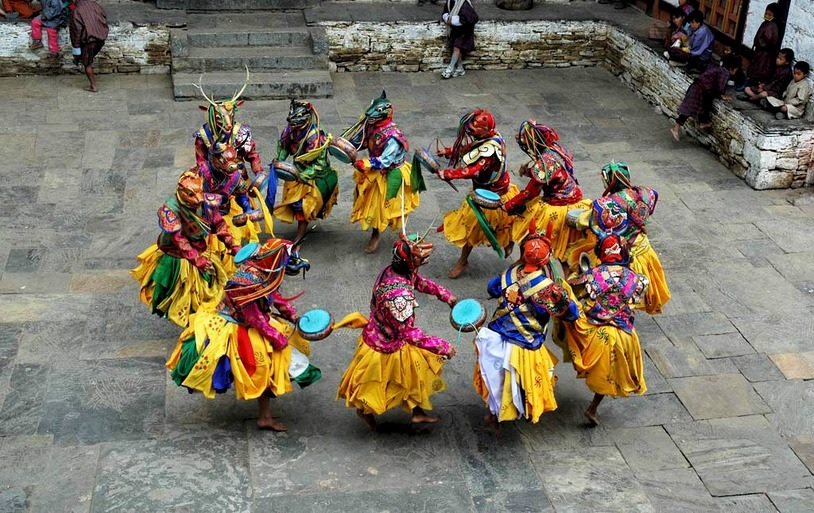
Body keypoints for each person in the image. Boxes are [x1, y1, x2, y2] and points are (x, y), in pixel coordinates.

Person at [166, 238, 321, 432]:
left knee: (272, 366)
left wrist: (293, 316)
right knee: (264, 366)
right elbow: (254, 317)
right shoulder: (247, 282)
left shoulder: (265, 268)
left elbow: (275, 296)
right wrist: (277, 338)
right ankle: (264, 415)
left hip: (256, 320)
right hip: (239, 325)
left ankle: (265, 416)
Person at [337, 234, 458, 430]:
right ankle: (364, 411)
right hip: (384, 345)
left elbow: (417, 281)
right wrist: (442, 347)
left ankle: (417, 413)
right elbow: (409, 334)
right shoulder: (398, 298)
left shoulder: (393, 271)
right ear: (409, 262)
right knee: (375, 385)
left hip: (392, 336)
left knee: (414, 375)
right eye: (419, 258)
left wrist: (444, 295)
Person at [474, 220, 579, 428]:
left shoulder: (508, 274)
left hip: (497, 335)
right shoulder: (548, 289)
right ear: (546, 259)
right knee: (527, 382)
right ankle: (525, 409)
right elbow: (571, 313)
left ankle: (496, 412)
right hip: (526, 343)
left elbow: (492, 288)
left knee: (497, 380)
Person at [131, 170, 239, 327]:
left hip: (200, 249)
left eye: (200, 193)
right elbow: (180, 241)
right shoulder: (170, 210)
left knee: (214, 287)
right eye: (191, 195)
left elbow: (219, 224)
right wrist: (197, 260)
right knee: (187, 295)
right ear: (182, 191)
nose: (198, 199)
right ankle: (194, 323)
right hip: (178, 256)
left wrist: (233, 245)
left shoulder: (205, 202)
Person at [563, 233, 649, 426]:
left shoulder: (590, 276)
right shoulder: (638, 280)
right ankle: (593, 407)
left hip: (594, 332)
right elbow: (637, 301)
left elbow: (573, 292)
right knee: (610, 373)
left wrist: (576, 275)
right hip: (623, 335)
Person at [437, 109, 519, 279]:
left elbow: (473, 170)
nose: (470, 133)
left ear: (484, 130)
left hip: (495, 194)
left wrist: (449, 174)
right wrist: (449, 151)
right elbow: (471, 148)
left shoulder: (490, 150)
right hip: (481, 190)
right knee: (470, 228)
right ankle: (463, 260)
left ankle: (508, 242)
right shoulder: (488, 137)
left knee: (503, 223)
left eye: (473, 130)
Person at [342, 91, 422, 254]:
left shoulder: (393, 137)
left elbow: (385, 161)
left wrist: (364, 163)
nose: (369, 116)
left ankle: (396, 233)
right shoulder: (371, 126)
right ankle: (376, 231)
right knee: (372, 204)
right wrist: (346, 146)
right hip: (376, 171)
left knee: (391, 205)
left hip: (391, 171)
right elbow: (364, 141)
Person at [502, 120, 591, 266]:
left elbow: (530, 192)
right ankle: (524, 257)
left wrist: (509, 205)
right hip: (573, 195)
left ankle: (530, 258)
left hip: (558, 204)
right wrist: (530, 172)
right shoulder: (556, 149)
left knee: (526, 226)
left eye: (526, 141)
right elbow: (553, 174)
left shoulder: (544, 163)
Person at [274, 100, 339, 244]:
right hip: (298, 172)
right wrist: (280, 160)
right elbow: (285, 147)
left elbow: (320, 163)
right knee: (294, 204)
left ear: (307, 119)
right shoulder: (289, 131)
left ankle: (300, 235)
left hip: (315, 175)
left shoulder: (316, 136)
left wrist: (302, 176)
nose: (293, 125)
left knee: (302, 205)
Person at [192, 71, 263, 186]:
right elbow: (201, 162)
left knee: (246, 197)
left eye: (230, 116)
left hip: (238, 177)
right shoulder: (204, 135)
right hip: (214, 180)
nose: (228, 124)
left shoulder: (241, 133)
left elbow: (252, 155)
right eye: (220, 118)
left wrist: (259, 172)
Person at [671, 54, 742, 141]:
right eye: (736, 70)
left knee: (703, 105)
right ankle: (676, 128)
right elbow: (720, 86)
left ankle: (702, 122)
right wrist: (721, 95)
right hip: (699, 90)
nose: (736, 72)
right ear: (731, 69)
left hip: (700, 88)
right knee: (689, 108)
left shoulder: (719, 69)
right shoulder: (725, 73)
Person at [69, 0, 108, 93]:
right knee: (88, 58)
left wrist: (76, 48)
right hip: (100, 38)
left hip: (89, 41)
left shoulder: (76, 10)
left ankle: (93, 86)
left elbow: (77, 31)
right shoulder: (95, 5)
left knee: (87, 63)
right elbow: (104, 17)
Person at [745, 3, 781, 87]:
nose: (767, 16)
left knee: (760, 68)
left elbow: (769, 39)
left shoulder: (773, 26)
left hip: (764, 52)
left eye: (769, 15)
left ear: (774, 16)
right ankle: (748, 83)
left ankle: (753, 85)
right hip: (758, 50)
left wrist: (761, 43)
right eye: (766, 13)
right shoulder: (765, 23)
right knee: (754, 66)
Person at [441, 0, 478, 79]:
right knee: (457, 49)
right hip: (455, 30)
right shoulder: (450, 1)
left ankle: (449, 69)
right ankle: (460, 69)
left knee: (456, 48)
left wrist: (452, 20)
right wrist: (447, 18)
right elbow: (445, 12)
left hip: (464, 31)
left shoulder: (464, 3)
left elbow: (471, 18)